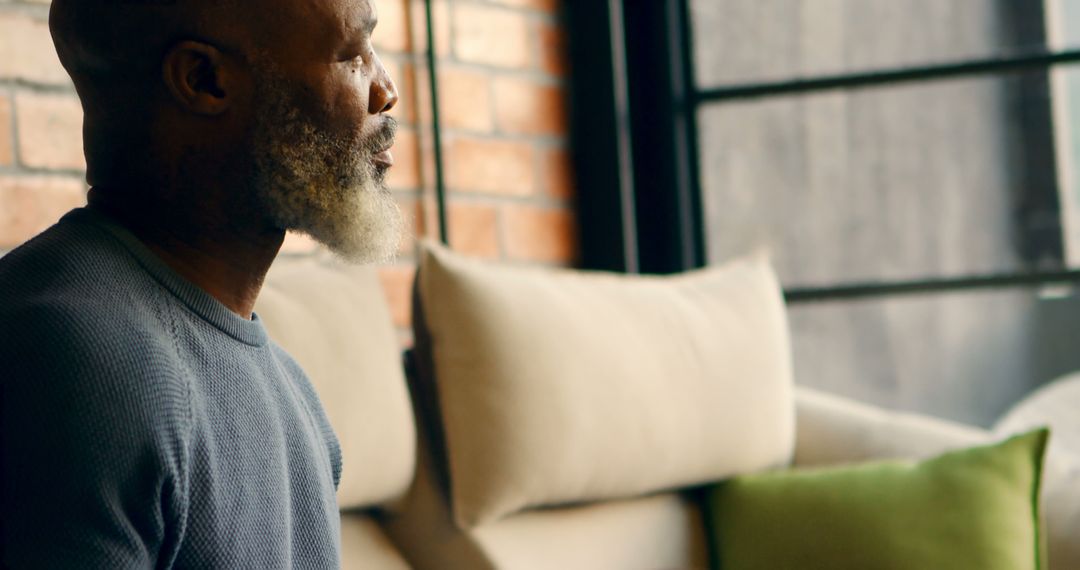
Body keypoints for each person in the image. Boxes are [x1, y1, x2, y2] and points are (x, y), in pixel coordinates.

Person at [0, 0, 400, 566]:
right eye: (351, 55)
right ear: (204, 80)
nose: (385, 91)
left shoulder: (292, 392)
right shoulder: (69, 360)